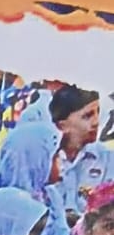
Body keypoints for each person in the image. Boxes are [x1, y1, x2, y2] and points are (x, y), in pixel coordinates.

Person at [47, 85, 114, 224]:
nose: (96, 122)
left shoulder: (107, 159)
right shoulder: (45, 160)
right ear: (62, 125)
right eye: (87, 116)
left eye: (97, 112)